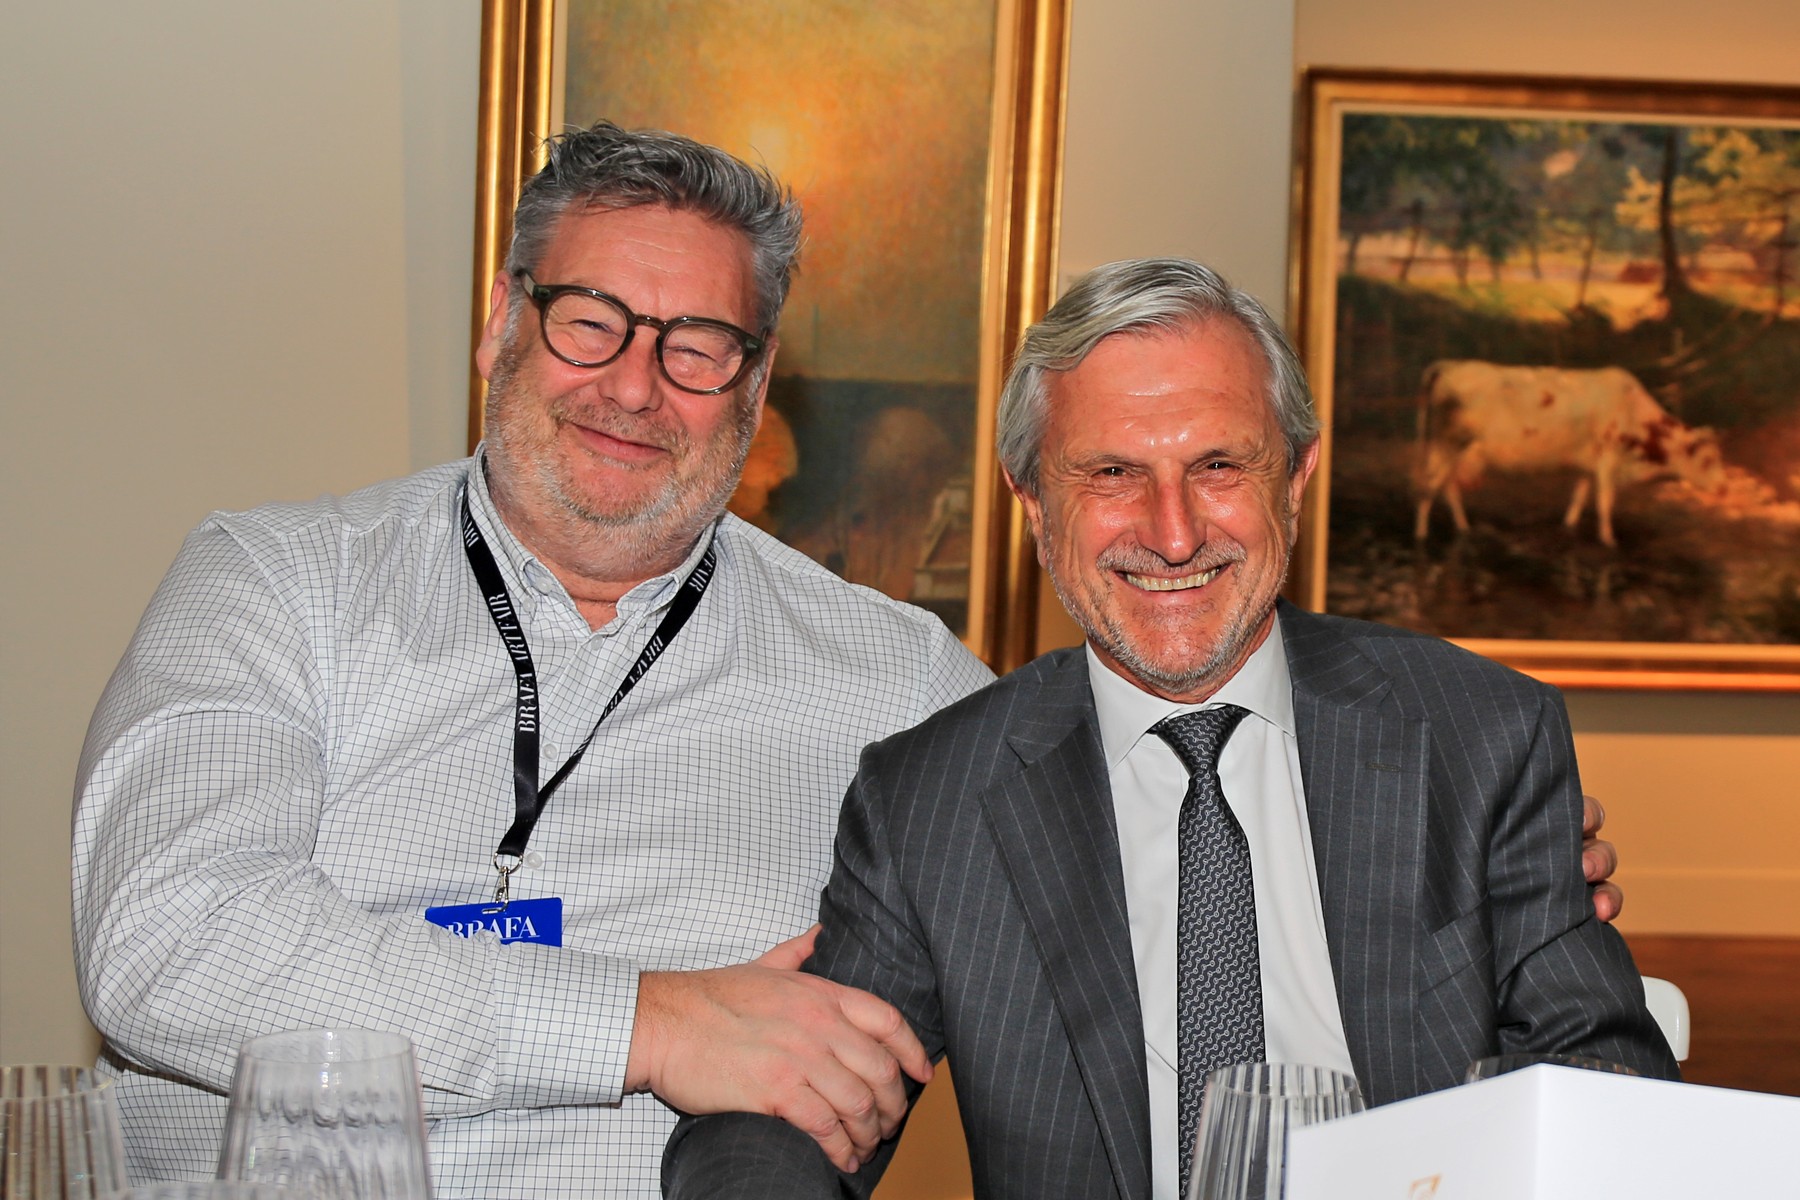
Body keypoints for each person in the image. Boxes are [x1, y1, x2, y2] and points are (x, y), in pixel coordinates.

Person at [70, 122, 994, 1198]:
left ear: (758, 380)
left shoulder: (902, 684)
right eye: (591, 322)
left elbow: (1097, 954)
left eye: (698, 346)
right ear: (502, 322)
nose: (635, 388)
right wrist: (649, 1026)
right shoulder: (274, 584)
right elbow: (171, 938)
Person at [663, 257, 1678, 1200]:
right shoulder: (932, 798)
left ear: (1297, 475)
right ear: (1032, 502)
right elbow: (783, 1114)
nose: (1174, 533)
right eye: (1110, 474)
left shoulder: (1481, 735)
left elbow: (1603, 1073)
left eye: (1219, 465)